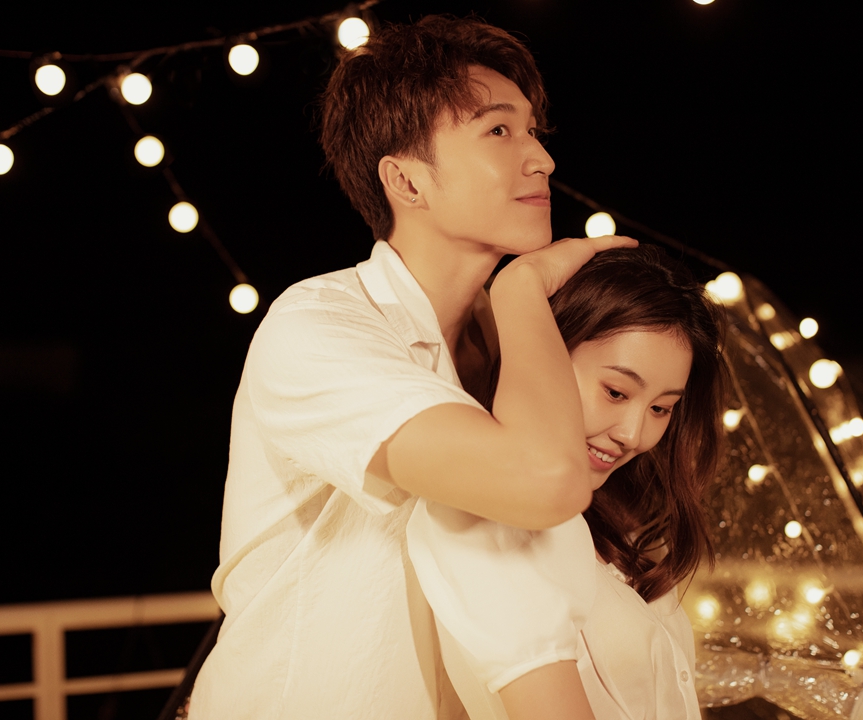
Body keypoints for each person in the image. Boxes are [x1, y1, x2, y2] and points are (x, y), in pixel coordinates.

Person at [187, 15, 634, 719]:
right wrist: (522, 288)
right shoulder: (318, 326)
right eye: (499, 130)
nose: (542, 159)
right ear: (406, 181)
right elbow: (546, 483)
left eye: (533, 131)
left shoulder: (514, 350)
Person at [407, 245, 729, 720]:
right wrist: (520, 285)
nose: (633, 434)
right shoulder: (486, 518)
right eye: (615, 392)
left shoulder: (616, 527)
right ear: (543, 354)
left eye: (661, 408)